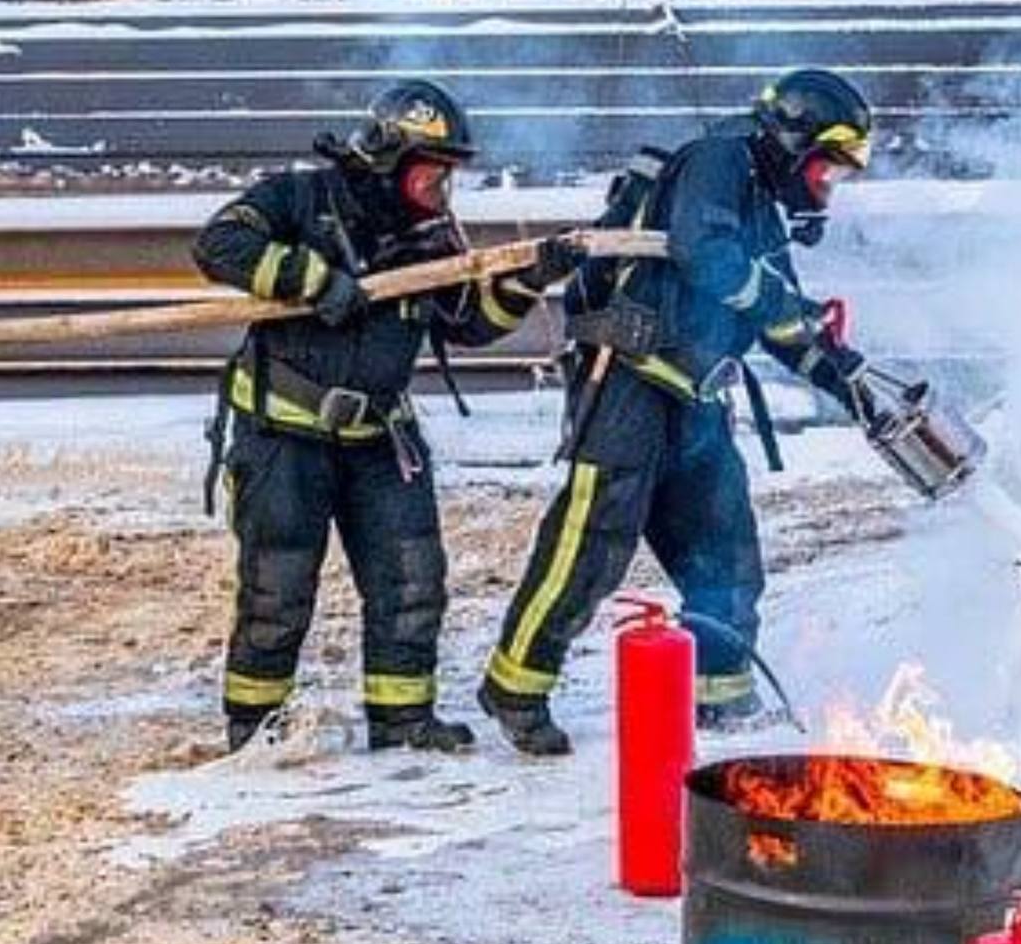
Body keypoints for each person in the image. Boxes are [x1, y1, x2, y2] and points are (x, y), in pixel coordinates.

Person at [475, 68, 878, 756]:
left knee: (725, 553)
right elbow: (703, 251)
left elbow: (781, 322)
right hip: (629, 385)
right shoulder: (719, 160)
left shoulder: (761, 208)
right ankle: (515, 686)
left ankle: (723, 696)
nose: (826, 183)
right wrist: (784, 307)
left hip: (697, 399)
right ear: (793, 139)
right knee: (590, 546)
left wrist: (850, 383)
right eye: (825, 164)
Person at [195, 80, 582, 755]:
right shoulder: (301, 197)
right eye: (434, 171)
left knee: (412, 579)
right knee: (277, 588)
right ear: (392, 158)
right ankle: (253, 730)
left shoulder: (432, 240)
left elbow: (469, 322)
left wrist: (525, 281)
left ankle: (403, 721)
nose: (442, 188)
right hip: (285, 437)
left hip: (380, 438)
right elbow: (218, 245)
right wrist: (310, 280)